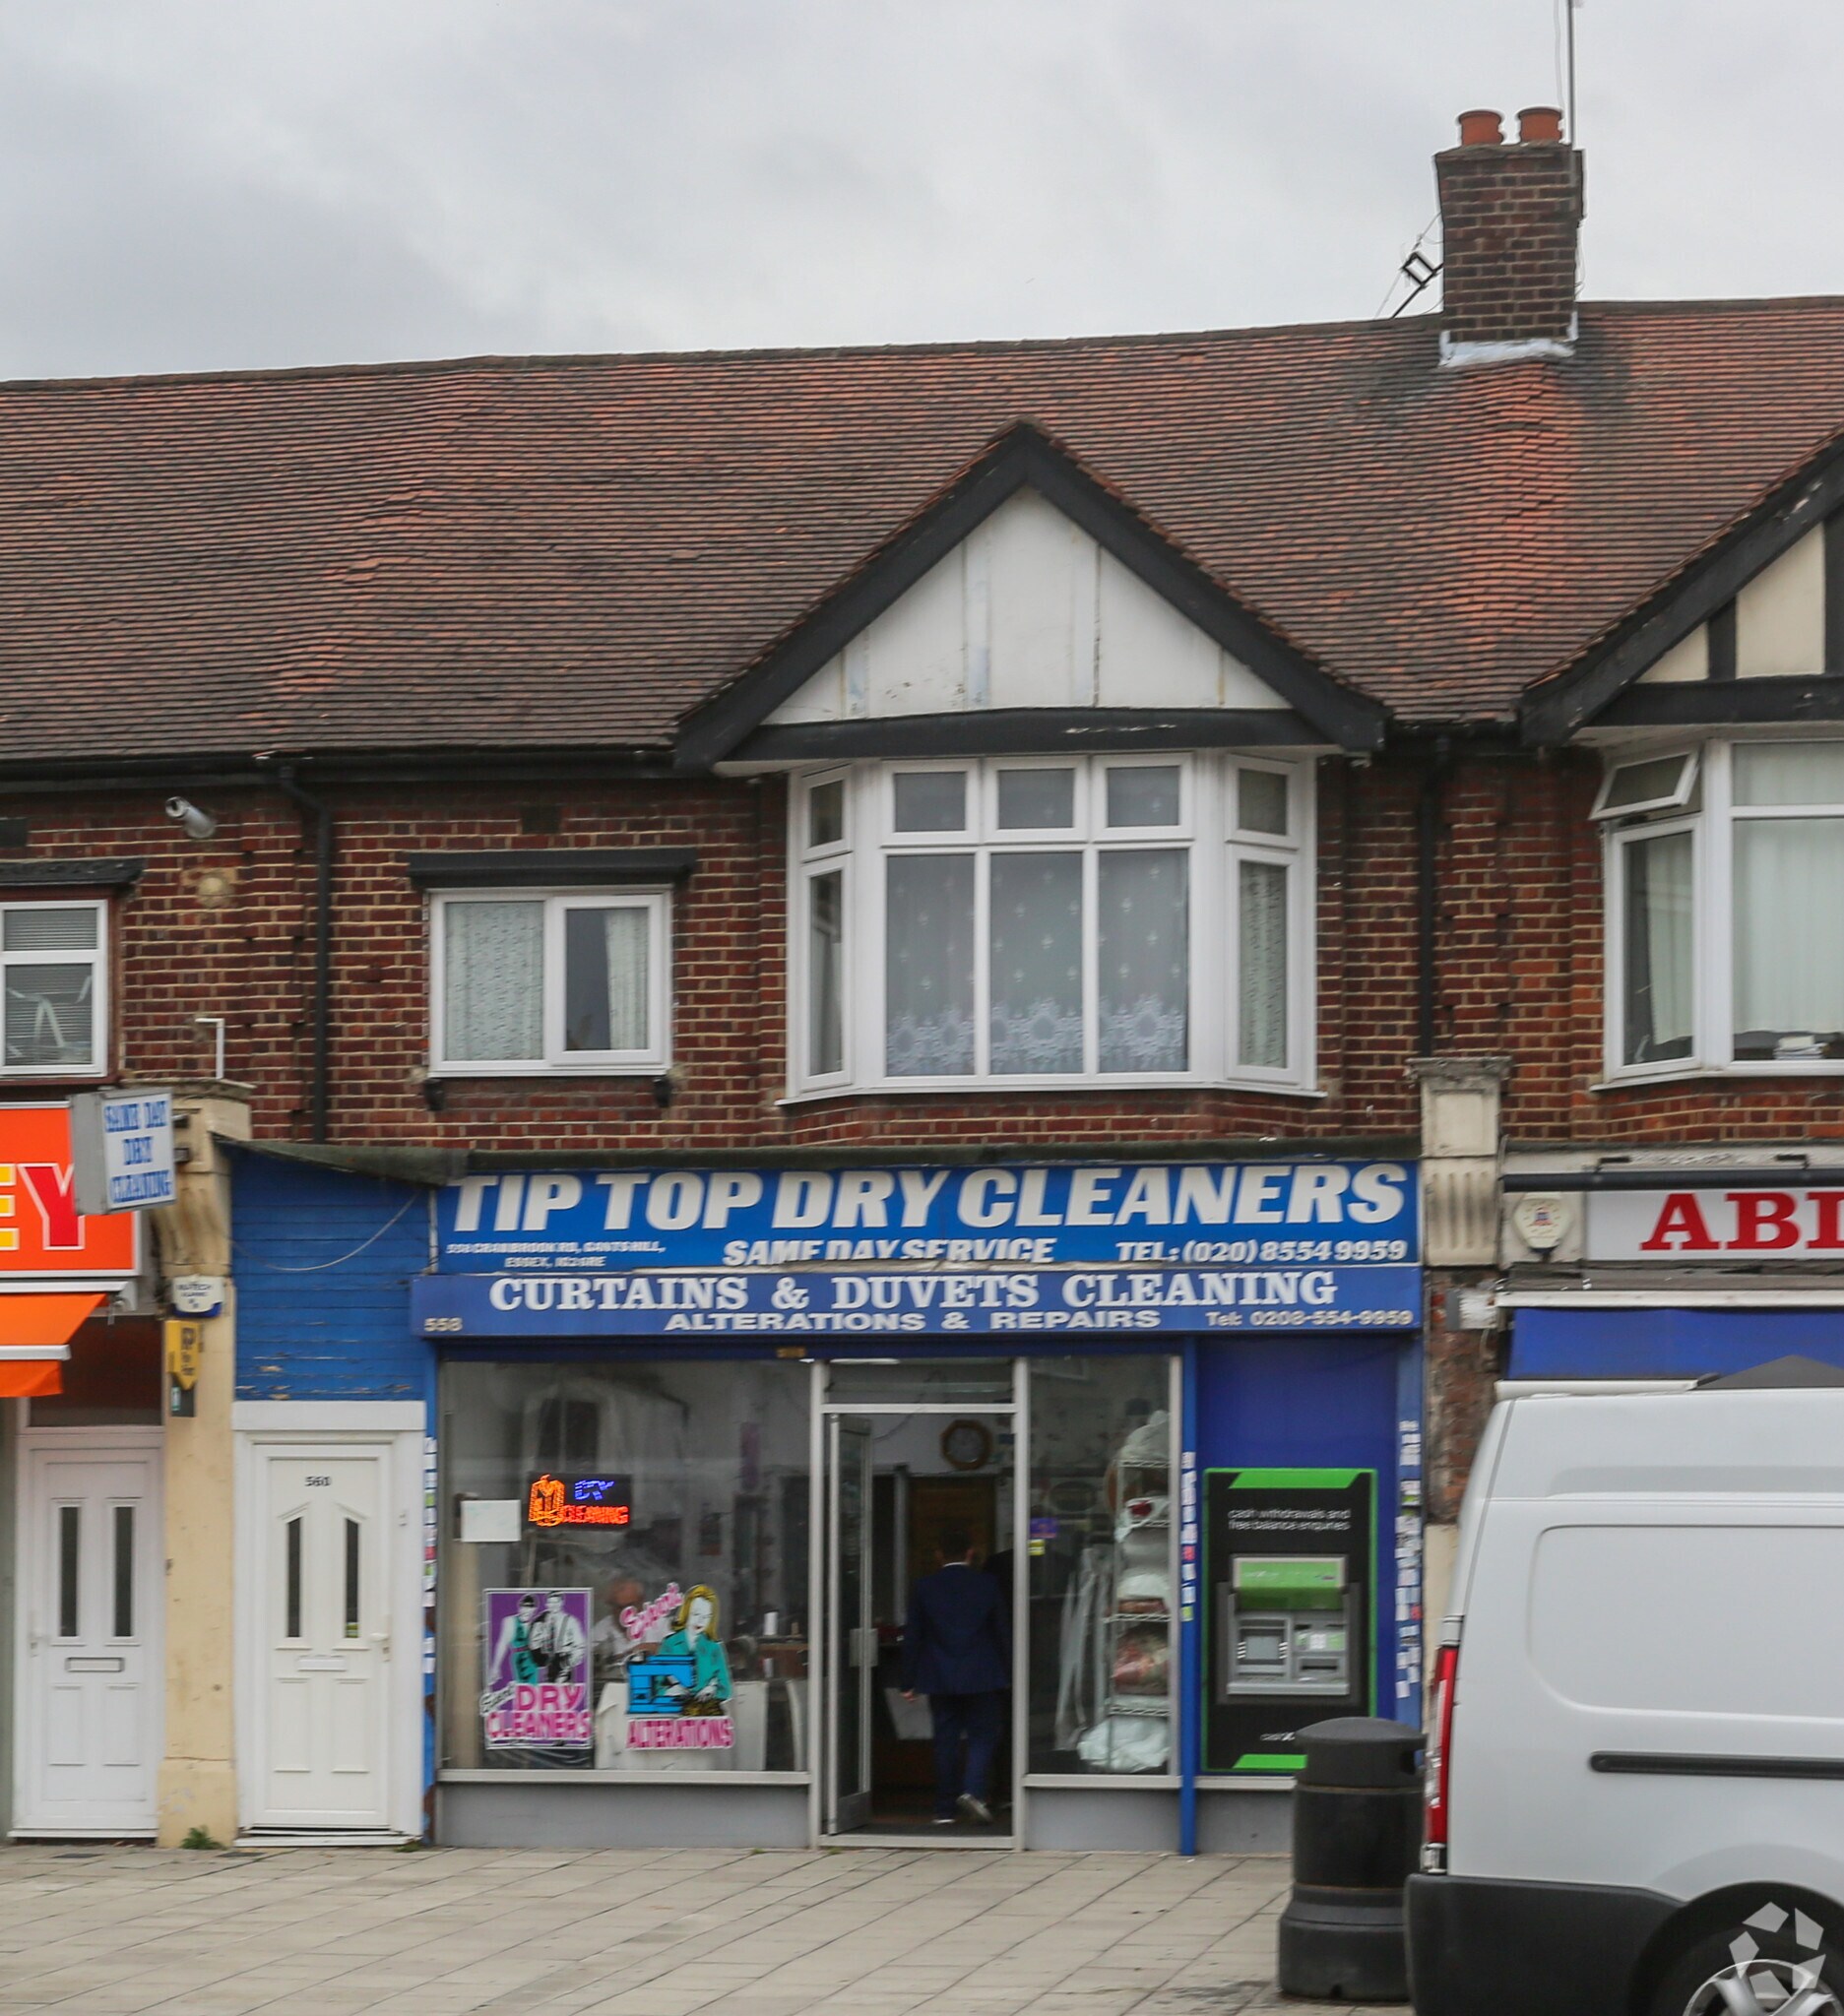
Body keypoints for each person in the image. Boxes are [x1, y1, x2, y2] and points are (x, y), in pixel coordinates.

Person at [902, 1530, 1011, 1825]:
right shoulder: (987, 1584)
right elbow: (1002, 1632)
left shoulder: (924, 1587)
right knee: (983, 1736)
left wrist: (907, 1680)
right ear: (971, 1552)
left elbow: (914, 1636)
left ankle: (944, 1809)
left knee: (945, 1742)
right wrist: (1009, 1672)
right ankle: (973, 1791)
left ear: (939, 1555)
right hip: (983, 1674)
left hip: (939, 1677)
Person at [658, 1584, 731, 1712]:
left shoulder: (714, 1648)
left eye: (706, 1617)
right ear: (686, 1612)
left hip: (706, 1714)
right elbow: (654, 1685)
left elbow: (725, 1689)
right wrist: (668, 1692)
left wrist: (712, 1690)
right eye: (696, 1614)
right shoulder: (669, 1644)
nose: (700, 1621)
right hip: (674, 1713)